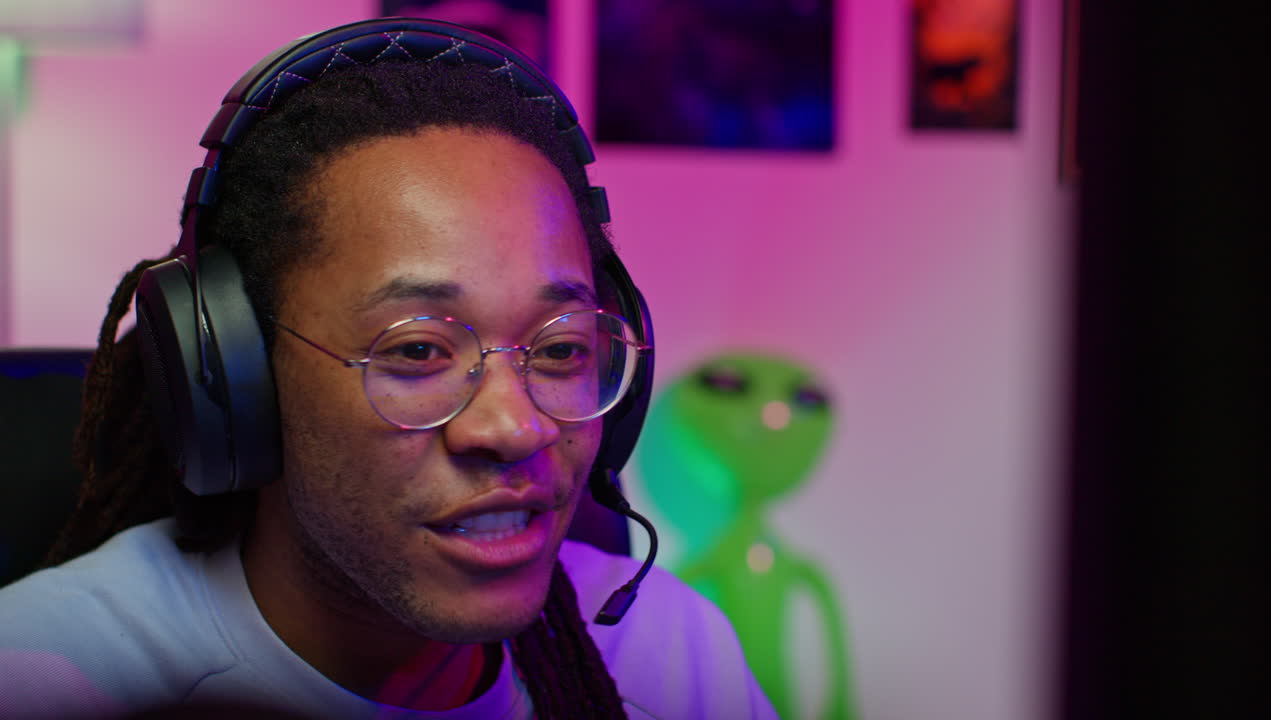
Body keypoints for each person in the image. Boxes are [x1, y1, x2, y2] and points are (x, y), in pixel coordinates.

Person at [0, 18, 775, 720]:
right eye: (417, 350)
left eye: (561, 348)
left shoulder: (667, 657)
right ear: (237, 380)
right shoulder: (46, 677)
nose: (516, 426)